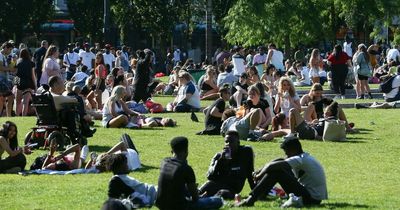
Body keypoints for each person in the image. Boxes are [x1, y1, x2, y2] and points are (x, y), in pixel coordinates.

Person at [236, 135, 328, 207]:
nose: (286, 155)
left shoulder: (299, 159)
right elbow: (281, 160)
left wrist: (258, 175)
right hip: (312, 196)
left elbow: (272, 166)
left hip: (311, 199)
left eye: (287, 152)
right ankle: (260, 195)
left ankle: (251, 199)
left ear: (293, 150)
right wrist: (260, 170)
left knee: (277, 171)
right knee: (277, 167)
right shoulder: (303, 157)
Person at [156, 136, 223, 210]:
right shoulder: (186, 169)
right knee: (218, 200)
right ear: (186, 151)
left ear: (172, 151)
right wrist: (198, 196)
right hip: (179, 207)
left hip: (161, 205)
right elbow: (195, 198)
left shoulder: (165, 162)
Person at [199, 131, 255, 199]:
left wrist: (255, 192)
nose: (228, 144)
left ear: (238, 143)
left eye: (231, 142)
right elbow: (210, 176)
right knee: (208, 185)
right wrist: (220, 161)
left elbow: (250, 174)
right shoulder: (219, 156)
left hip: (233, 188)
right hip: (218, 185)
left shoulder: (245, 152)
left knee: (223, 193)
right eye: (226, 142)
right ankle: (195, 195)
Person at [15, 48, 36, 116]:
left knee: (18, 102)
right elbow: (33, 76)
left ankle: (17, 115)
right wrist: (35, 86)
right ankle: (24, 116)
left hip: (20, 84)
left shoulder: (18, 62)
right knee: (25, 103)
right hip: (28, 84)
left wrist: (15, 84)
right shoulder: (31, 63)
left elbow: (16, 75)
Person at [0, 41, 16, 117]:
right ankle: (8, 115)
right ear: (5, 48)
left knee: (2, 99)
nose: (10, 52)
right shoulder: (0, 55)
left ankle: (6, 115)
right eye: (10, 50)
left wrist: (14, 61)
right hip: (1, 80)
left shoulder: (5, 56)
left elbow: (11, 67)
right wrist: (10, 68)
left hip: (4, 79)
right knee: (11, 96)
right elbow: (1, 68)